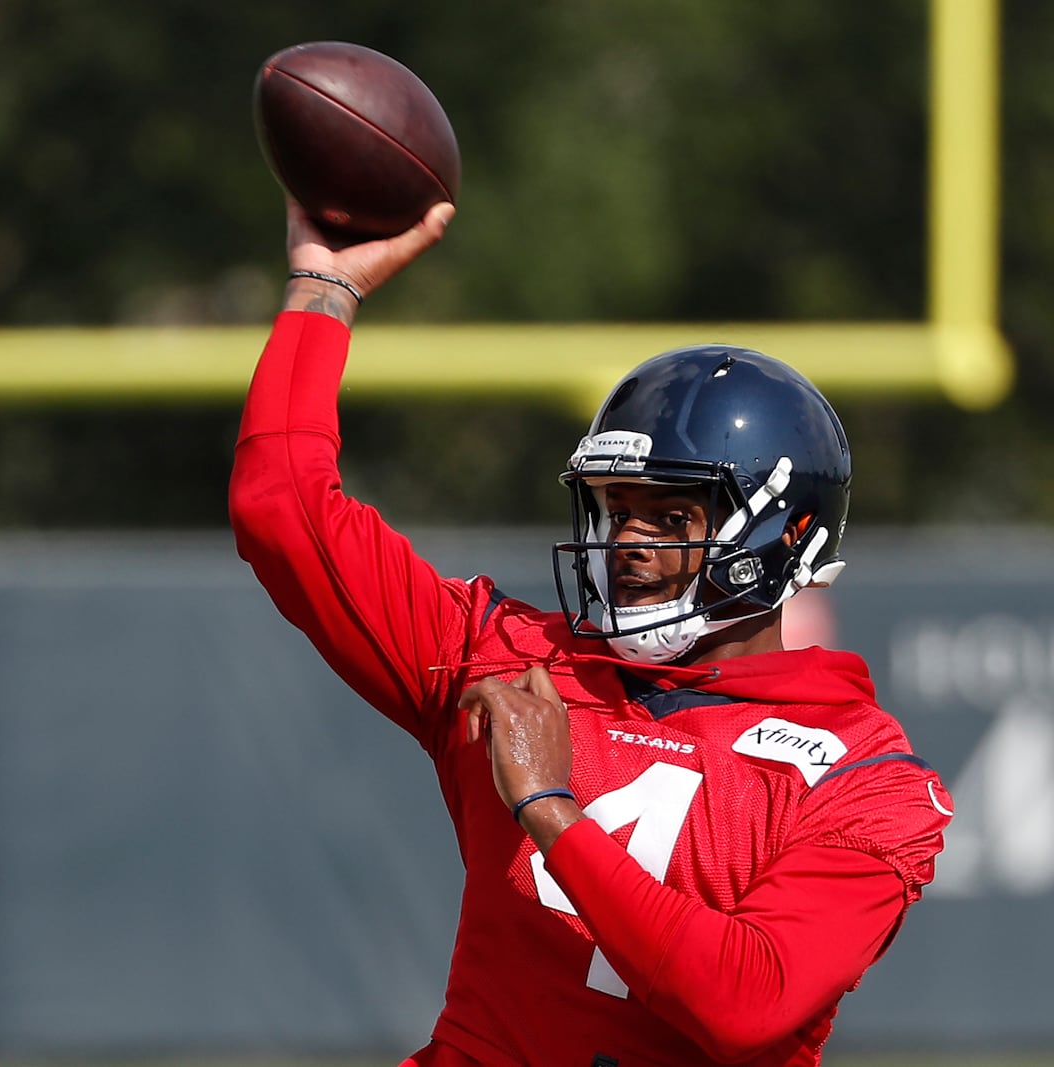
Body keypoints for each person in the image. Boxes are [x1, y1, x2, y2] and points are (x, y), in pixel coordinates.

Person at [227, 198, 952, 1067]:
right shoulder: (510, 658)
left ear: (781, 535)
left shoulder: (869, 778)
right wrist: (325, 286)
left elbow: (747, 1000)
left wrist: (551, 808)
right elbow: (283, 508)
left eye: (670, 515)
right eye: (617, 511)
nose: (628, 546)